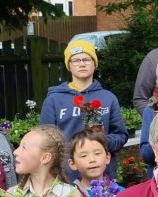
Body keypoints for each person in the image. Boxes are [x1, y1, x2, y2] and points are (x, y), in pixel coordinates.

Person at [40, 39, 128, 177]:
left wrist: (100, 142)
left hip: (102, 178)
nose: (81, 64)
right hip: (67, 177)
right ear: (69, 66)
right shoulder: (54, 100)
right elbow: (46, 141)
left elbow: (121, 136)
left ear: (94, 64)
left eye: (86, 59)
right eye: (76, 60)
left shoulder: (108, 98)